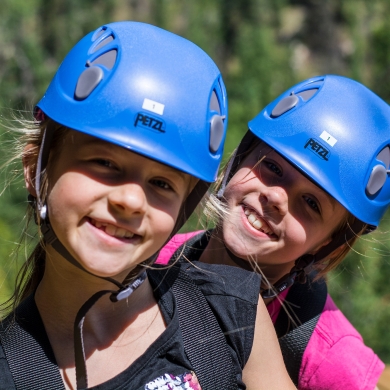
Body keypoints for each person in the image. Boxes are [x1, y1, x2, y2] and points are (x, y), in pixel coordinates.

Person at [0, 21, 295, 390]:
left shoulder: (230, 312)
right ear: (35, 169)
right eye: (104, 163)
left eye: (161, 184)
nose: (130, 200)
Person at [157, 75, 390, 390]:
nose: (277, 198)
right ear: (240, 159)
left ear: (330, 245)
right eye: (273, 168)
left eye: (310, 203)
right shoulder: (157, 258)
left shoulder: (327, 354)